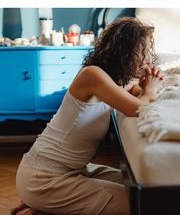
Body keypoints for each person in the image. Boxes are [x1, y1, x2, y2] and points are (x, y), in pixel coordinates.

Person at [13, 17, 164, 215]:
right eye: (143, 52)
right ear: (125, 52)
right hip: (44, 177)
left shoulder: (113, 80)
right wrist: (151, 89)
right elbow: (140, 108)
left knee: (145, 189)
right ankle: (44, 204)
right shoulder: (92, 75)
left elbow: (134, 90)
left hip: (75, 171)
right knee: (142, 205)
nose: (147, 60)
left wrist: (144, 86)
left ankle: (45, 207)